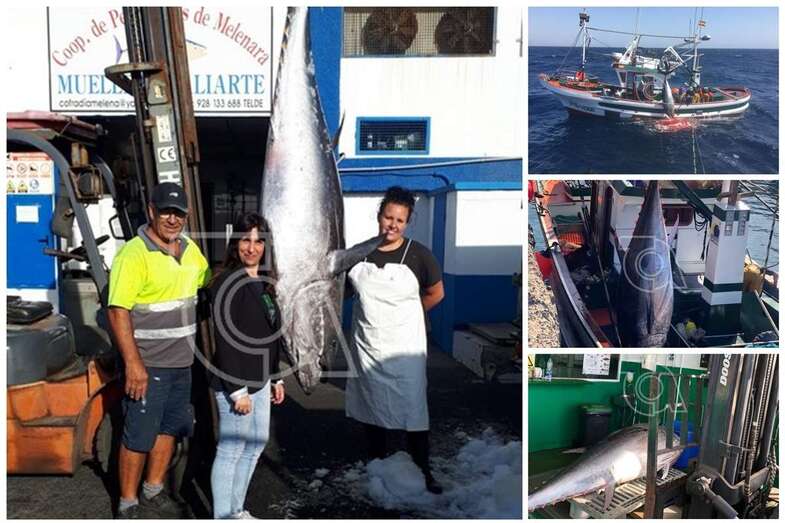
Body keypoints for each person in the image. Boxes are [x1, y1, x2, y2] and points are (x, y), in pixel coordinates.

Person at [107, 182, 210, 519]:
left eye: (178, 213)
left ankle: (152, 489)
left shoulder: (190, 250)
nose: (172, 219)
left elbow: (210, 281)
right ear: (151, 210)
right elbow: (117, 310)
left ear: (187, 215)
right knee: (138, 435)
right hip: (148, 366)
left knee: (170, 428)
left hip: (182, 365)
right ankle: (127, 502)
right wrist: (134, 364)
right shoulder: (134, 254)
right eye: (165, 211)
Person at [345, 186, 446, 494]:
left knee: (414, 408)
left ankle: (423, 469)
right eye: (389, 217)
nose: (393, 225)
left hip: (405, 348)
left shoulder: (419, 255)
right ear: (379, 216)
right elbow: (344, 292)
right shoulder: (359, 253)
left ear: (408, 222)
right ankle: (376, 465)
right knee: (371, 405)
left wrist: (409, 315)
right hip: (368, 346)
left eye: (400, 220)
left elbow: (436, 293)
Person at [208, 212, 285, 519]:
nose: (251, 248)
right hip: (235, 384)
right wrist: (237, 391)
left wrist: (276, 377)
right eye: (245, 240)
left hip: (261, 381)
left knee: (255, 446)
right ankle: (223, 516)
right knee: (231, 451)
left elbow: (271, 335)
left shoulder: (264, 283)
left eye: (258, 241)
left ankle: (236, 510)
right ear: (234, 243)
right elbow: (224, 341)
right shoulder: (227, 282)